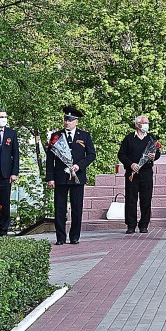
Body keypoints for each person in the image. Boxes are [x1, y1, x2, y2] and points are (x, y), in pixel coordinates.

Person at [46, 105, 96, 245]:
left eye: (70, 120)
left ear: (76, 121)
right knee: (60, 209)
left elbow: (91, 155)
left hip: (77, 177)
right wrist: (50, 178)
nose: (67, 122)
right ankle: (60, 238)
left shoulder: (84, 136)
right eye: (65, 119)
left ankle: (74, 236)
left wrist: (79, 165)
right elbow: (50, 158)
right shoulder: (56, 136)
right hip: (60, 177)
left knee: (77, 207)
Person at [117, 114, 161, 234]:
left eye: (147, 122)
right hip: (132, 173)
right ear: (137, 124)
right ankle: (131, 225)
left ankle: (144, 224)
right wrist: (131, 164)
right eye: (144, 122)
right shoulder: (129, 138)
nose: (146, 125)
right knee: (131, 199)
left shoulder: (151, 138)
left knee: (146, 199)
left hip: (146, 172)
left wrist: (154, 156)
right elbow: (121, 154)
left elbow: (157, 153)